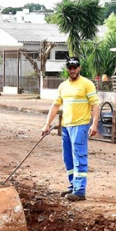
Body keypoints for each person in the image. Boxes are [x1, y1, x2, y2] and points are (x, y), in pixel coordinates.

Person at [41, 57, 99, 201]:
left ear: (79, 68)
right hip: (66, 127)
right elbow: (55, 105)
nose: (72, 70)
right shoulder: (63, 86)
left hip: (80, 125)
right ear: (67, 69)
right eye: (70, 68)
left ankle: (79, 191)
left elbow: (95, 105)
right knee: (68, 158)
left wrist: (94, 124)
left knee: (79, 156)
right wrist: (47, 124)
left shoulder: (87, 84)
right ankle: (73, 185)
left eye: (75, 67)